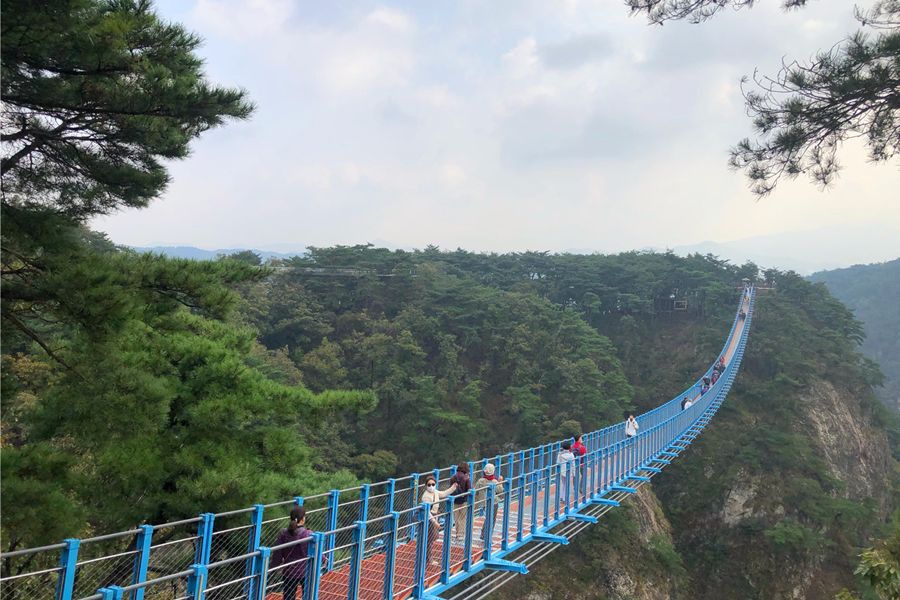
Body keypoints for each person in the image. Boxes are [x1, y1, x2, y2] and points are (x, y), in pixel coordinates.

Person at [271, 506, 312, 600]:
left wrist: (272, 568)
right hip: (304, 570)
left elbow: (278, 552)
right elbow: (313, 551)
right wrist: (323, 560)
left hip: (289, 570)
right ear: (303, 519)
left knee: (288, 596)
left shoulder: (283, 533)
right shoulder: (307, 534)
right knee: (309, 593)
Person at [421, 475, 458, 564]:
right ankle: (428, 559)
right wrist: (434, 522)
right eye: (429, 485)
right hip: (429, 519)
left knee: (430, 538)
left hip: (434, 517)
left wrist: (453, 487)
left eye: (433, 484)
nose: (431, 486)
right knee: (429, 539)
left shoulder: (435, 492)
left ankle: (426, 557)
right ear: (426, 485)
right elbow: (427, 512)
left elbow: (444, 494)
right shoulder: (426, 497)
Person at [474, 464, 503, 542]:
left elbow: (475, 491)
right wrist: (500, 482)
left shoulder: (481, 481)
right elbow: (501, 490)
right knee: (492, 519)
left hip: (484, 502)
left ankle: (483, 534)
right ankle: (487, 536)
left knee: (488, 518)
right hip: (494, 502)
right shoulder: (494, 481)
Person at [449, 463, 472, 542]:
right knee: (463, 517)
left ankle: (457, 532)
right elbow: (469, 489)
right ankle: (461, 534)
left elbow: (450, 489)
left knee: (456, 517)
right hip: (464, 500)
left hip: (455, 500)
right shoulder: (466, 478)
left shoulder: (452, 477)